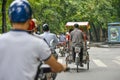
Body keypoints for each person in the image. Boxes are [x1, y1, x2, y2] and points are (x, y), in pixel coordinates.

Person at [0, 0, 66, 80]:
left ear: (10, 18)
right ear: (30, 19)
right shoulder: (38, 42)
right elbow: (55, 66)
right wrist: (62, 67)